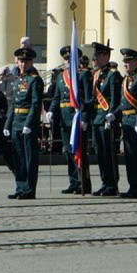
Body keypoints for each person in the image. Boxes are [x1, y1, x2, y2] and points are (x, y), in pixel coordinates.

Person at [107, 48, 137, 198]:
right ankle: (132, 186)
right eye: (124, 62)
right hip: (126, 121)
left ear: (136, 62)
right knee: (129, 156)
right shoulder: (127, 79)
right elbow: (123, 104)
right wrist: (114, 115)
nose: (125, 64)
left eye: (128, 61)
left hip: (135, 121)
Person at [46, 46, 92, 194]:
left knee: (79, 151)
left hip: (76, 116)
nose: (68, 61)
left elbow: (89, 98)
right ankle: (73, 182)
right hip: (64, 117)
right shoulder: (61, 76)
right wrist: (51, 110)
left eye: (71, 58)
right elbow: (57, 97)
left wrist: (84, 117)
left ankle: (83, 183)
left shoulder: (83, 75)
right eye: (66, 59)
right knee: (68, 151)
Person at [4, 47, 44, 200]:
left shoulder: (35, 80)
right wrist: (8, 124)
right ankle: (20, 186)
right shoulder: (19, 79)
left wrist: (29, 123)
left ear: (31, 62)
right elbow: (13, 104)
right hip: (16, 123)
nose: (23, 64)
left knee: (29, 158)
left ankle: (29, 189)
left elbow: (35, 104)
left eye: (26, 61)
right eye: (21, 61)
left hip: (28, 124)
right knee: (18, 157)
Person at [84, 42, 121, 197]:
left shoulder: (113, 76)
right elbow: (93, 99)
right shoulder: (97, 75)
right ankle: (105, 182)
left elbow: (114, 99)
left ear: (106, 56)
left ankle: (112, 184)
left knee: (108, 153)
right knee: (100, 153)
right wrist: (81, 105)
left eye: (98, 55)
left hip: (107, 118)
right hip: (97, 118)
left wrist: (111, 116)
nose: (95, 59)